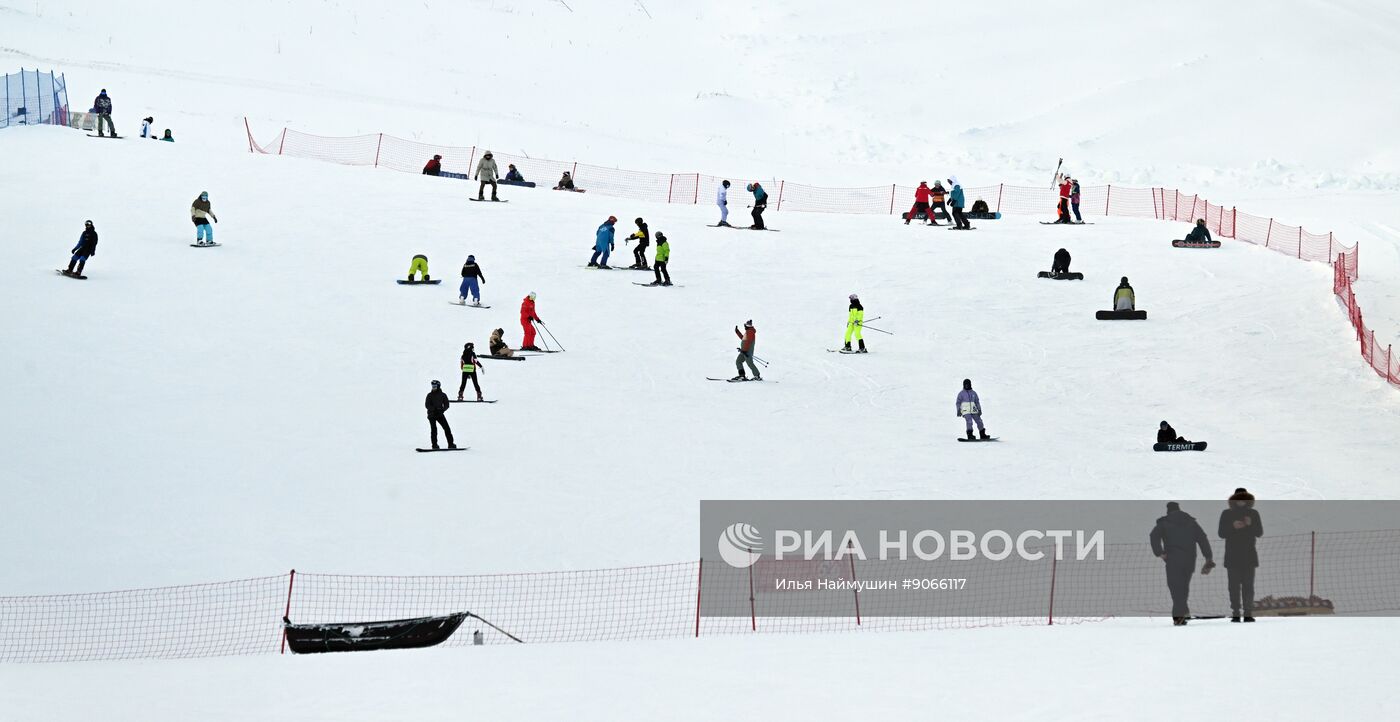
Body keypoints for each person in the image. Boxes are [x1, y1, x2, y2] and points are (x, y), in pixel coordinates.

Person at [1150, 502, 1215, 626]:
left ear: (1168, 511)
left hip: (1173, 559)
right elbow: (1202, 538)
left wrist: (1160, 552)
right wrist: (1208, 557)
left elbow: (1153, 536)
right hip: (1190, 560)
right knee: (1184, 587)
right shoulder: (1191, 522)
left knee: (1175, 588)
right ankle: (1184, 612)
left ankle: (1178, 617)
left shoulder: (1164, 523)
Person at [1218, 488, 1262, 623]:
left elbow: (1259, 532)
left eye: (1244, 499)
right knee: (1234, 586)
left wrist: (1249, 525)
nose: (1241, 501)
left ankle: (1248, 613)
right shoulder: (1226, 514)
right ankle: (1236, 612)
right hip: (1232, 556)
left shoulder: (1254, 514)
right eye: (1239, 498)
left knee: (1248, 586)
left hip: (1249, 556)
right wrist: (1233, 527)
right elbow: (1221, 533)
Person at [424, 380, 457, 450]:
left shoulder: (443, 395)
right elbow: (427, 405)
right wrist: (434, 409)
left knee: (447, 428)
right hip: (431, 415)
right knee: (434, 430)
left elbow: (447, 404)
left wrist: (442, 410)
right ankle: (434, 445)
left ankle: (451, 444)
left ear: (438, 386)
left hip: (439, 414)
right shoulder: (429, 395)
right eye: (432, 386)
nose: (433, 388)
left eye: (435, 386)